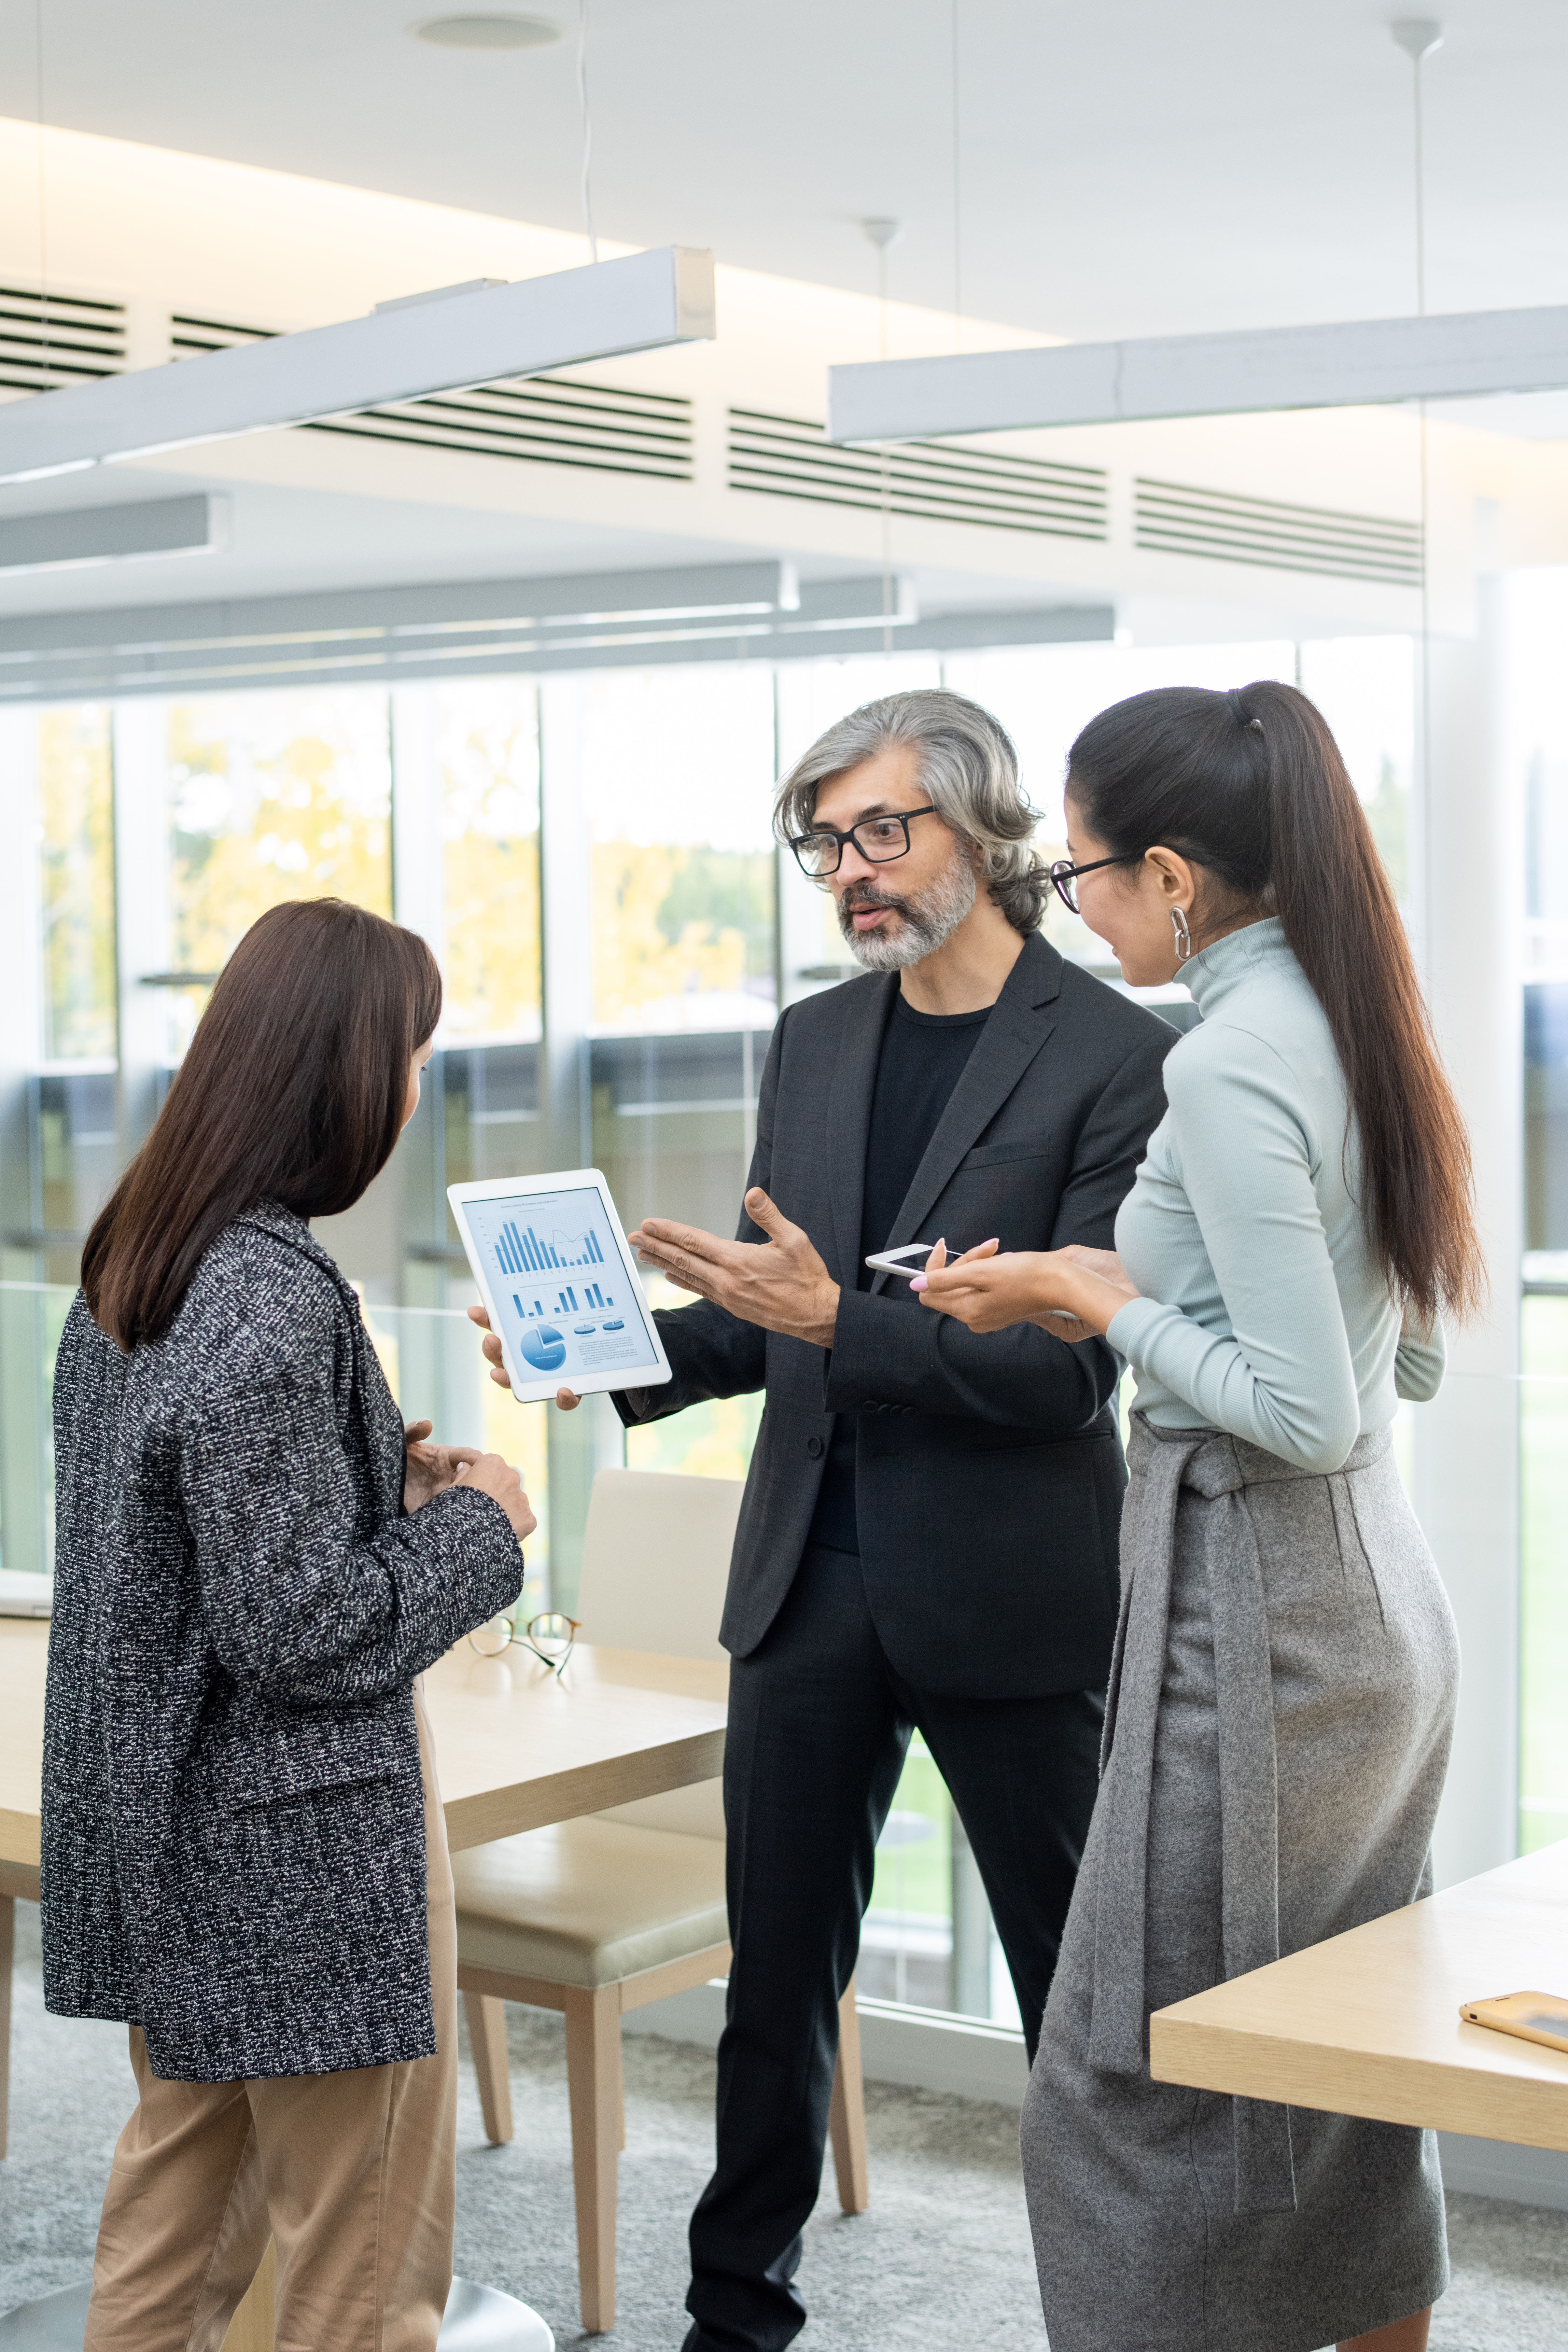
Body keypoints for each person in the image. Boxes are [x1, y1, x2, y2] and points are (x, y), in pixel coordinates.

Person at [472, 687, 1175, 2352]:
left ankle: (1147, 2311)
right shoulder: (813, 1038)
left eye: (881, 831)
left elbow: (1067, 1378)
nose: (850, 871)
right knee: (773, 1990)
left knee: (1077, 2004)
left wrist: (824, 1322)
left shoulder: (1119, 1058)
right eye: (824, 843)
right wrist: (616, 1356)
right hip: (805, 1582)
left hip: (1007, 1595)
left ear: (981, 831)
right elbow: (778, 1311)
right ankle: (735, 2322)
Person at [915, 680, 1482, 2352]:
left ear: (1169, 876)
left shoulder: (1229, 1060)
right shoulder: (1351, 1010)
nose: (1073, 910)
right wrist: (1108, 1286)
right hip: (1370, 1600)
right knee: (1337, 2061)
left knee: (1116, 2090)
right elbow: (1406, 1362)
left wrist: (1101, 1303)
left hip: (1260, 1612)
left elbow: (1303, 1414)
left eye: (1078, 873)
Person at [43, 897, 535, 2352]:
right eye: (416, 1057)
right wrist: (480, 1525)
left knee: (180, 2225)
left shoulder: (141, 1257)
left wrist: (375, 1480)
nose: (417, 1087)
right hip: (294, 1850)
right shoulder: (270, 1294)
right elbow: (302, 1631)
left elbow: (176, 1545)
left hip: (171, 1824)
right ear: (347, 1070)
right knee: (361, 2270)